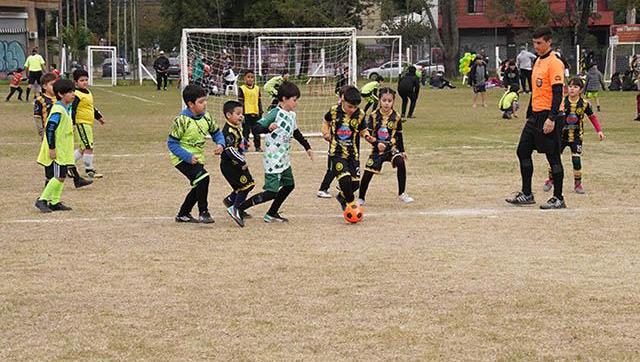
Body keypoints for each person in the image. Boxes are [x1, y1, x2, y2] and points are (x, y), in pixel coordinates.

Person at [506, 27, 567, 209]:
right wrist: (529, 113)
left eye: (539, 43)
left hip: (551, 115)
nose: (536, 46)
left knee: (553, 157)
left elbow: (557, 94)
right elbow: (536, 90)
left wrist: (552, 118)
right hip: (535, 116)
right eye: (534, 43)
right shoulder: (537, 61)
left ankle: (558, 198)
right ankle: (527, 193)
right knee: (522, 151)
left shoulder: (555, 63)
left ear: (549, 42)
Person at [238, 81, 313, 222]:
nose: (296, 103)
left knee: (289, 185)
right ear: (284, 99)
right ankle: (239, 208)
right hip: (273, 158)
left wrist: (307, 146)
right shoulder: (275, 113)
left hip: (284, 158)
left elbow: (296, 132)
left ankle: (271, 213)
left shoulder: (292, 115)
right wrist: (268, 128)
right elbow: (256, 128)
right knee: (271, 192)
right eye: (294, 100)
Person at [167, 85, 225, 223]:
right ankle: (203, 212)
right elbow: (172, 144)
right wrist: (187, 157)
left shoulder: (207, 118)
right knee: (204, 178)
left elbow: (216, 132)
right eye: (201, 101)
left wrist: (220, 143)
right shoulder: (181, 120)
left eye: (205, 100)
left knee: (199, 184)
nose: (205, 104)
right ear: (190, 104)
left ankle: (183, 214)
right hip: (181, 158)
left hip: (197, 158)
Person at [543, 77, 604, 195]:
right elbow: (553, 115)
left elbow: (592, 117)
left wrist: (599, 131)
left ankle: (578, 184)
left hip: (576, 137)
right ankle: (551, 180)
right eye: (570, 86)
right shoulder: (561, 102)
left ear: (580, 90)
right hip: (560, 136)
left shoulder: (585, 104)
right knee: (554, 158)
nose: (572, 89)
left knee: (576, 160)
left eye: (575, 87)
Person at [35, 73, 92, 189]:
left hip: (62, 134)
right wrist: (42, 132)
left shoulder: (61, 100)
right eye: (52, 84)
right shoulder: (41, 100)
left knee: (66, 157)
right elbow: (37, 117)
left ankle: (76, 178)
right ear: (44, 86)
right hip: (51, 133)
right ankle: (49, 181)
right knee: (51, 160)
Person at [322, 85, 375, 211]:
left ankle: (341, 196)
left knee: (355, 184)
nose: (352, 109)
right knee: (344, 179)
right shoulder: (334, 111)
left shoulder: (360, 114)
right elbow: (326, 121)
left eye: (355, 107)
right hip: (337, 152)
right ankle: (351, 206)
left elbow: (363, 129)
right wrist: (326, 133)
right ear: (343, 100)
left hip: (353, 154)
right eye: (349, 106)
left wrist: (367, 136)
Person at [358, 87, 413, 205]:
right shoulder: (373, 116)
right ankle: (361, 197)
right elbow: (367, 135)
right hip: (377, 150)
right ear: (379, 101)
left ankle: (402, 193)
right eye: (384, 100)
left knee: (400, 162)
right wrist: (376, 144)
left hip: (391, 148)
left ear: (393, 101)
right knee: (368, 173)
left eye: (389, 100)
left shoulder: (397, 116)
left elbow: (399, 134)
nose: (387, 103)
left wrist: (402, 150)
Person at [34, 79, 77, 213]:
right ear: (60, 94)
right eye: (70, 92)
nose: (73, 94)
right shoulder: (58, 109)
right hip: (57, 149)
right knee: (58, 176)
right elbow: (50, 129)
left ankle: (55, 201)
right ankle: (42, 199)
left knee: (62, 175)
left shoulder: (65, 108)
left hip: (63, 149)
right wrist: (52, 148)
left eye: (73, 91)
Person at [220, 100, 255, 227]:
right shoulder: (228, 131)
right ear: (229, 115)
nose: (241, 116)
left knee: (247, 184)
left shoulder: (235, 127)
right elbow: (229, 150)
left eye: (242, 113)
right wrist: (242, 161)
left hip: (235, 163)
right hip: (231, 165)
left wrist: (245, 143)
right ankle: (235, 208)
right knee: (246, 185)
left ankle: (230, 200)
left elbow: (238, 140)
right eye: (238, 113)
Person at [71, 69, 106, 180]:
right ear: (76, 82)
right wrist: (72, 123)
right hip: (81, 123)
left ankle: (67, 165)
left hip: (88, 123)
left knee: (83, 148)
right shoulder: (76, 94)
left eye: (86, 79)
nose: (85, 82)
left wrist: (98, 117)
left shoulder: (88, 92)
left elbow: (90, 107)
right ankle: (89, 169)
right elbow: (73, 110)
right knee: (88, 147)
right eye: (82, 80)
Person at [238, 70, 263, 151]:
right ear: (245, 78)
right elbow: (240, 103)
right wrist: (241, 114)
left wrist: (260, 112)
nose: (250, 79)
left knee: (257, 132)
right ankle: (245, 147)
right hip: (246, 114)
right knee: (245, 132)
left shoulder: (257, 88)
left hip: (256, 114)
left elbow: (259, 101)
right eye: (248, 77)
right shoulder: (242, 89)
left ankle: (258, 147)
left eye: (252, 77)